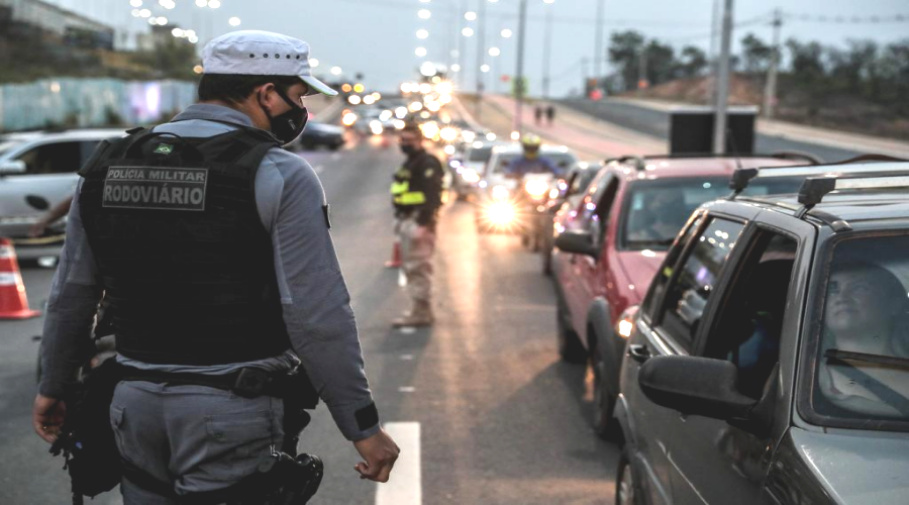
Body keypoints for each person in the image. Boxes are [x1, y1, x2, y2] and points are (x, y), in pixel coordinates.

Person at [32, 30, 399, 503]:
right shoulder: (278, 173)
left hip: (132, 403)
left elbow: (71, 295)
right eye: (298, 95)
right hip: (231, 409)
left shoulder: (107, 166)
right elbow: (316, 315)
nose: (301, 110)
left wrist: (54, 385)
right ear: (266, 93)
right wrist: (361, 424)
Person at [817, 261, 909, 417]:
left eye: (859, 288)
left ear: (894, 303)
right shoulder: (808, 376)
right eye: (832, 289)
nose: (841, 297)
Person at [390, 122, 444, 327]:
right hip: (407, 219)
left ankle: (421, 312)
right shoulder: (410, 162)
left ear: (420, 141)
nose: (404, 144)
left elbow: (434, 195)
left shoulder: (427, 162)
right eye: (402, 140)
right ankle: (420, 310)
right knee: (412, 267)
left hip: (418, 221)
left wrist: (423, 223)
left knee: (418, 267)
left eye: (409, 140)